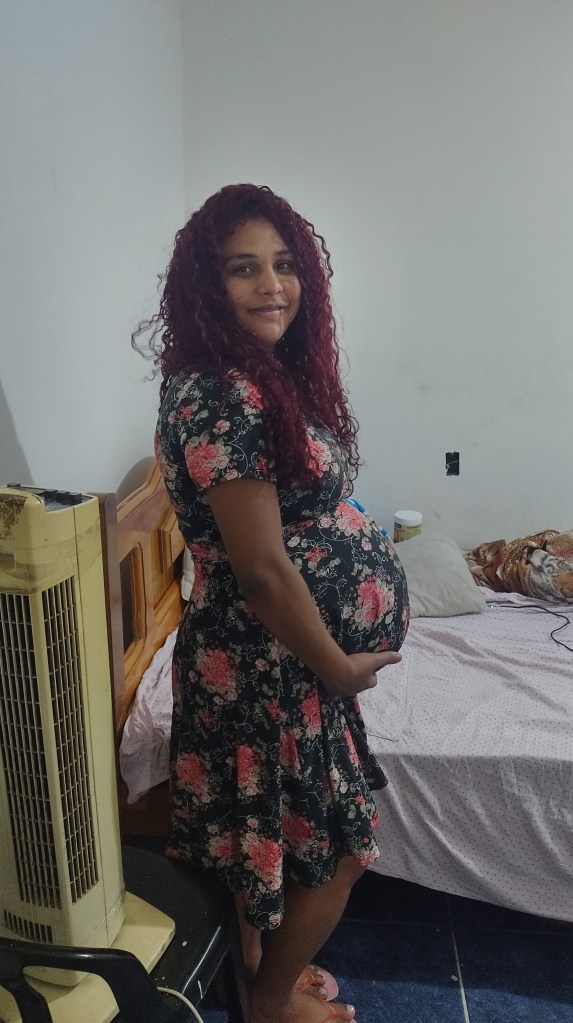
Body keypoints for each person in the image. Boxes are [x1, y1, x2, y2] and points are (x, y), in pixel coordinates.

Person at [133, 184, 409, 1023]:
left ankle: (259, 970)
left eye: (284, 265)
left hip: (272, 660)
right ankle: (268, 1002)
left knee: (262, 836)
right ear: (205, 286)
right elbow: (259, 570)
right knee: (338, 850)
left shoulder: (252, 379)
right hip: (273, 668)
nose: (272, 285)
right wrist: (340, 668)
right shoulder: (225, 395)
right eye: (242, 269)